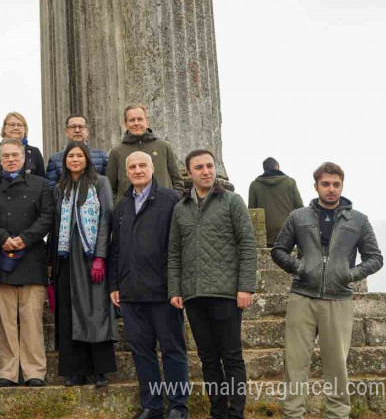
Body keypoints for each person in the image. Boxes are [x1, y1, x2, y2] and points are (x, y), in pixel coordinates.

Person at [272, 162, 383, 419]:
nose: (331, 189)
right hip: (302, 297)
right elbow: (279, 250)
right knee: (295, 365)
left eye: (336, 184)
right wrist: (299, 267)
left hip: (338, 300)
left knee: (337, 368)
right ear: (316, 186)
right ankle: (292, 415)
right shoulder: (298, 217)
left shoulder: (358, 221)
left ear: (342, 186)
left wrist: (350, 274)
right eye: (326, 184)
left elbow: (375, 258)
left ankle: (337, 415)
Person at [168, 149, 257, 419]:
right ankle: (217, 413)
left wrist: (246, 287)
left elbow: (248, 244)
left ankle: (236, 414)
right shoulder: (180, 209)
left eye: (210, 166)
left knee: (231, 357)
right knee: (207, 358)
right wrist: (175, 289)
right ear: (190, 173)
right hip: (194, 295)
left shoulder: (232, 201)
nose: (206, 171)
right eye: (199, 167)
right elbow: (174, 252)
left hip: (226, 294)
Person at [108, 151, 188, 419]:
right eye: (132, 166)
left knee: (172, 351)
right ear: (126, 172)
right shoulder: (121, 207)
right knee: (142, 353)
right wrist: (114, 284)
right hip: (131, 294)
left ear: (153, 168)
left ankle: (177, 406)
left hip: (164, 292)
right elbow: (116, 249)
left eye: (143, 165)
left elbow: (181, 245)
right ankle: (152, 406)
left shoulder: (171, 200)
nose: (138, 170)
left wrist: (176, 286)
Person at [0, 138, 54, 387]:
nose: (11, 159)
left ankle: (34, 371)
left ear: (24, 158)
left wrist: (25, 239)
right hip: (1, 258)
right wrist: (2, 238)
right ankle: (7, 371)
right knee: (6, 320)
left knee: (31, 319)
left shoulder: (41, 185)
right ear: (0, 159)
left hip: (31, 257)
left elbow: (47, 216)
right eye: (6, 156)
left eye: (15, 156)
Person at [47, 142, 117, 388]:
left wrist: (100, 256)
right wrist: (51, 261)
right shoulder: (59, 188)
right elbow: (55, 225)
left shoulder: (100, 183)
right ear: (64, 161)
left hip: (90, 258)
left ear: (87, 159)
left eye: (79, 155)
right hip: (66, 258)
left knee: (94, 312)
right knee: (68, 314)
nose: (75, 159)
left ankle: (100, 370)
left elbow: (107, 218)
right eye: (70, 156)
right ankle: (75, 370)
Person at [107, 103, 185, 203]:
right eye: (132, 120)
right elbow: (110, 187)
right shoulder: (117, 152)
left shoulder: (163, 147)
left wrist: (172, 201)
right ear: (125, 124)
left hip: (162, 209)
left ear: (147, 122)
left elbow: (177, 180)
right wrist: (119, 206)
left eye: (140, 119)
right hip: (130, 212)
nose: (136, 123)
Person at [0, 112, 46, 186]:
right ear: (4, 129)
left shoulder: (34, 152)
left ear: (25, 130)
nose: (16, 128)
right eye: (12, 125)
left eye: (20, 125)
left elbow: (42, 181)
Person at [248, 157, 304, 247]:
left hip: (264, 235)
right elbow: (300, 207)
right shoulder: (290, 182)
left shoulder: (254, 185)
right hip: (287, 233)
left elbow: (251, 212)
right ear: (277, 167)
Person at [45, 114, 109, 188]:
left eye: (81, 127)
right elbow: (51, 188)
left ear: (87, 131)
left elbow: (108, 186)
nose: (77, 130)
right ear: (66, 132)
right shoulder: (55, 159)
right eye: (73, 127)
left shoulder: (102, 157)